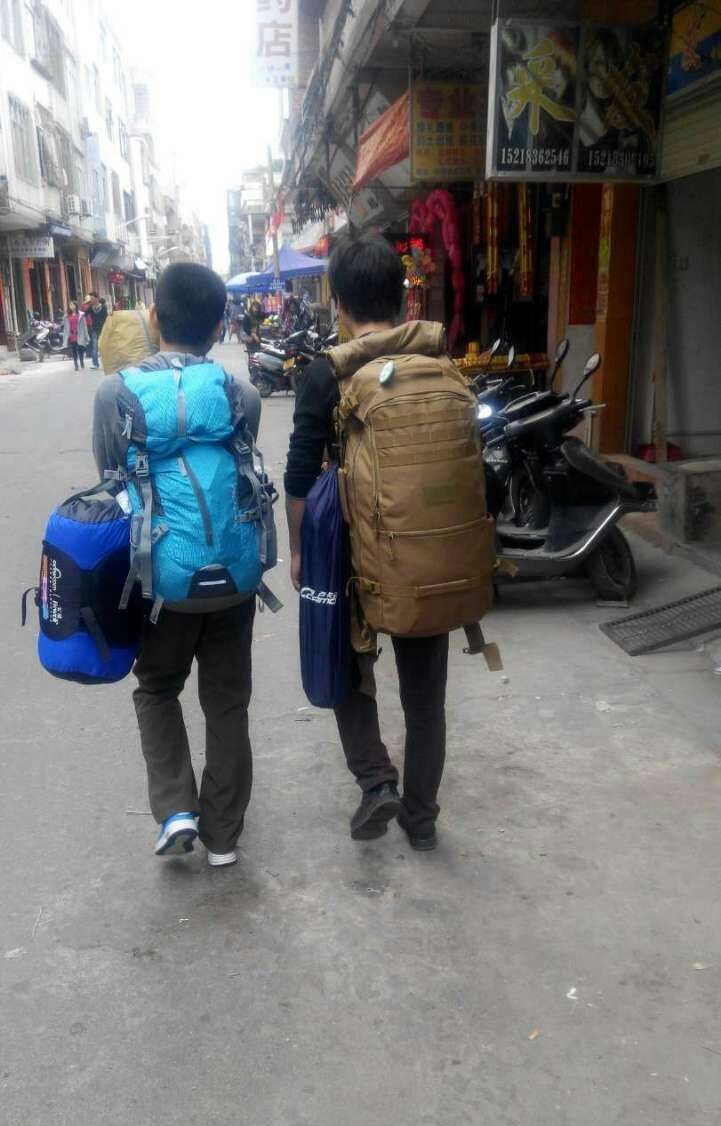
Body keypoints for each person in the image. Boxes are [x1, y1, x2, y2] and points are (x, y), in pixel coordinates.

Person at [285, 233, 461, 853]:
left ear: (339, 302)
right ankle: (422, 817)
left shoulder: (326, 373)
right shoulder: (438, 361)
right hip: (426, 550)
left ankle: (376, 781)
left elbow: (300, 475)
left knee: (347, 671)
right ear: (402, 296)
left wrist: (301, 552)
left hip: (350, 550)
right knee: (425, 697)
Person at [92, 263, 262, 866]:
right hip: (235, 575)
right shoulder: (240, 394)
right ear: (220, 327)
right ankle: (223, 837)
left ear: (153, 317)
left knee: (158, 688)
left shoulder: (115, 394)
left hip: (159, 578)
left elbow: (109, 479)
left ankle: (176, 810)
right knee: (227, 701)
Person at [63, 301, 89, 370]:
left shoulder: (81, 315)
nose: (71, 306)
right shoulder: (67, 316)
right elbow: (66, 327)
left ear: (76, 306)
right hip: (72, 335)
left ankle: (81, 361)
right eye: (70, 305)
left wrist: (86, 335)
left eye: (72, 305)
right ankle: (76, 364)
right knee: (74, 350)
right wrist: (67, 334)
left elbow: (84, 326)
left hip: (80, 334)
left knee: (80, 349)